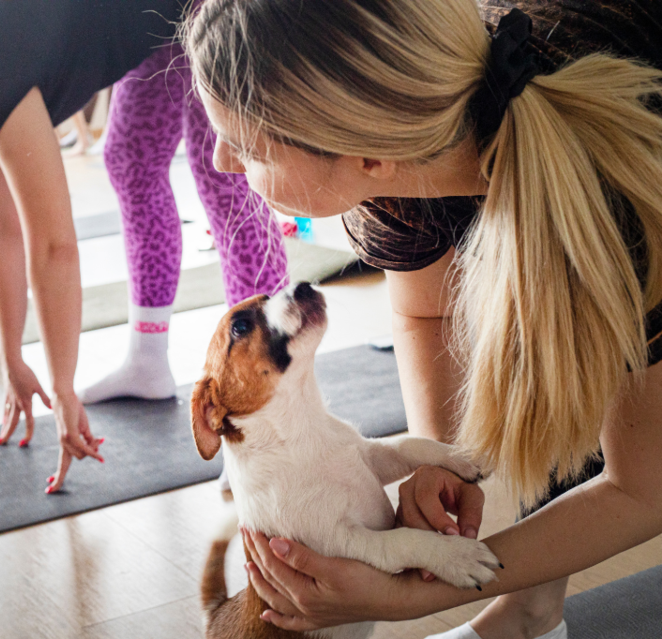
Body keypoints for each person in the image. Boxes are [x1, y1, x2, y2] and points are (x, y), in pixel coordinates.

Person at [184, 1, 662, 638]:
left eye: (245, 143)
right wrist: (437, 463)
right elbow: (426, 311)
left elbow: (642, 489)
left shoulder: (617, 209)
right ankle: (530, 614)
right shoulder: (401, 165)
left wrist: (408, 599)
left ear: (369, 157)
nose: (221, 161)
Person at [0, 0, 287, 492]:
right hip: (157, 24)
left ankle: (271, 390)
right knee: (131, 158)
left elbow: (54, 245)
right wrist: (11, 353)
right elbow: (2, 222)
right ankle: (148, 360)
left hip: (209, 7)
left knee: (226, 171)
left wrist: (63, 389)